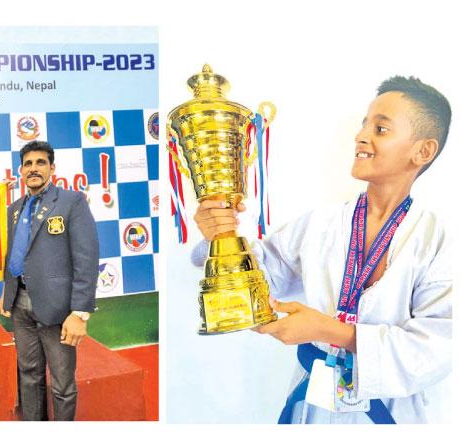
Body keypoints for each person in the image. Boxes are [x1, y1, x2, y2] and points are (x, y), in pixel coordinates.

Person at [191, 76, 452, 423]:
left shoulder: (437, 241)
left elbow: (436, 349)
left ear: (423, 151)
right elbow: (263, 275)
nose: (361, 136)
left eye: (381, 128)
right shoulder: (322, 223)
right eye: (364, 124)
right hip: (312, 405)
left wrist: (328, 331)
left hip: (388, 415)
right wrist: (220, 235)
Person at [0, 140, 99, 421]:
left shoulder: (71, 202)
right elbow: (16, 253)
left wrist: (80, 312)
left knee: (62, 384)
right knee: (29, 375)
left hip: (59, 310)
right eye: (28, 164)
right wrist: (8, 290)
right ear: (20, 170)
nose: (34, 169)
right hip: (20, 305)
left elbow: (86, 259)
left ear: (52, 168)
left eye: (40, 162)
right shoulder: (14, 209)